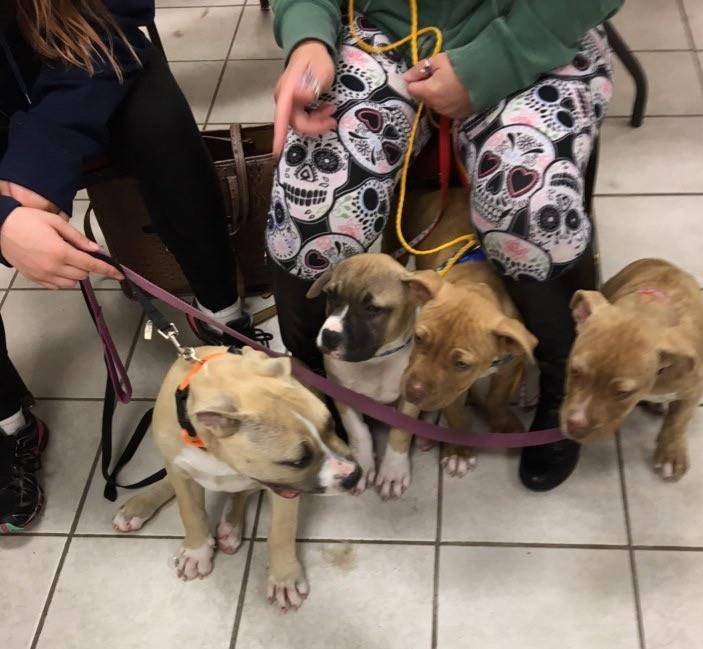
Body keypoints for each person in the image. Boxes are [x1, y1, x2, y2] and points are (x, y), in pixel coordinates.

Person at [268, 0, 623, 492]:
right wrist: (307, 34)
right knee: (312, 218)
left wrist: (496, 59)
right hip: (380, 32)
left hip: (534, 30)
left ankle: (562, 374)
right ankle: (317, 380)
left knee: (530, 213)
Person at [0, 0, 264, 533]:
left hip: (83, 52)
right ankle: (9, 425)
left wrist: (40, 153)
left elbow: (121, 11)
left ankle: (221, 312)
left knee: (162, 127)